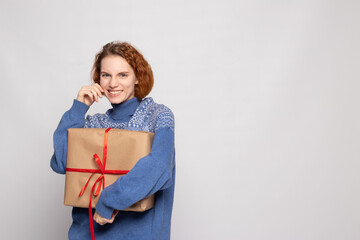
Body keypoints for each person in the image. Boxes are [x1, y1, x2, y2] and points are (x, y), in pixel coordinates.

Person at [50, 41, 175, 240]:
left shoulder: (158, 116)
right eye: (106, 75)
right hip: (87, 234)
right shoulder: (94, 123)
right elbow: (61, 163)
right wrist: (78, 108)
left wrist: (107, 202)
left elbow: (159, 167)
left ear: (137, 77)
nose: (113, 83)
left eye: (122, 75)